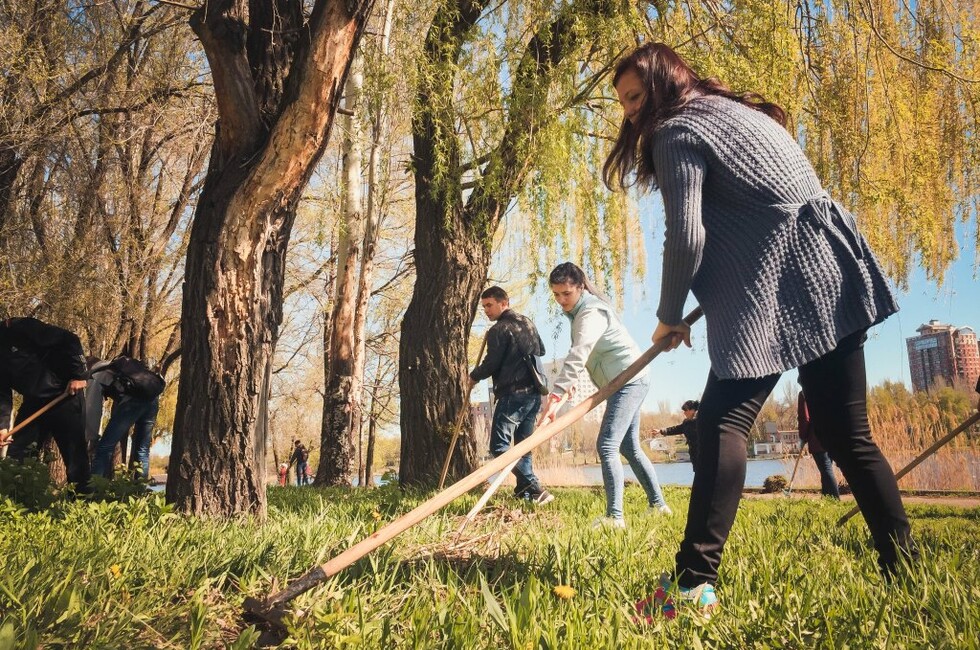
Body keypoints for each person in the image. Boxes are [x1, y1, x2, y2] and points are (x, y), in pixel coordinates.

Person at [605, 42, 917, 612]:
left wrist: (668, 315)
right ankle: (906, 569)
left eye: (634, 96)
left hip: (778, 288)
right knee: (848, 434)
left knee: (724, 421)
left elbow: (688, 235)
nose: (629, 112)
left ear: (665, 83)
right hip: (828, 266)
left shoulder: (675, 131)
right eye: (623, 102)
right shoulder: (738, 112)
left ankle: (693, 583)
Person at [540, 263, 669, 528]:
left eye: (566, 293)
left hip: (629, 379)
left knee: (607, 445)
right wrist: (570, 385)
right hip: (622, 381)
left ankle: (615, 517)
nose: (561, 300)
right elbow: (588, 354)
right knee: (628, 447)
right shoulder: (578, 313)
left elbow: (580, 352)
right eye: (556, 294)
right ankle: (658, 505)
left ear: (580, 287)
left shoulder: (590, 313)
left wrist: (556, 394)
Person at [469, 286, 553, 504]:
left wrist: (473, 376)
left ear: (503, 303)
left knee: (499, 447)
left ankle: (535, 487)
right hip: (534, 394)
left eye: (489, 305)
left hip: (513, 394)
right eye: (484, 306)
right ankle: (524, 492)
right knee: (524, 447)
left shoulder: (499, 330)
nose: (486, 310)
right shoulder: (528, 323)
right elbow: (539, 350)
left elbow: (491, 363)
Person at [0, 317, 91, 492]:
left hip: (64, 395)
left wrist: (79, 375)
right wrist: (2, 426)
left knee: (75, 460)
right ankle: (17, 503)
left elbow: (70, 339)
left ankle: (83, 504)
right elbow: (2, 392)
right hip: (34, 403)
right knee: (17, 456)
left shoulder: (19, 327)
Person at [88, 356, 162, 480]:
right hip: (152, 400)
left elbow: (93, 409)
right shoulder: (114, 364)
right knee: (142, 450)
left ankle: (93, 492)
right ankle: (140, 492)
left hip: (132, 403)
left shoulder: (95, 374)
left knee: (104, 447)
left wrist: (91, 438)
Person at [798, 390, 840, 499]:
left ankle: (835, 498)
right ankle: (826, 497)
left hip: (817, 439)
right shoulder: (827, 389)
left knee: (826, 469)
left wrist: (802, 436)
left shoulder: (805, 393)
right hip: (833, 436)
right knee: (826, 469)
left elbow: (804, 418)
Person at [655, 399, 700, 470]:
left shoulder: (702, 421)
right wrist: (661, 431)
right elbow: (676, 429)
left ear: (693, 410)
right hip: (694, 456)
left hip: (704, 455)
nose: (684, 413)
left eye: (686, 410)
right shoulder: (686, 424)